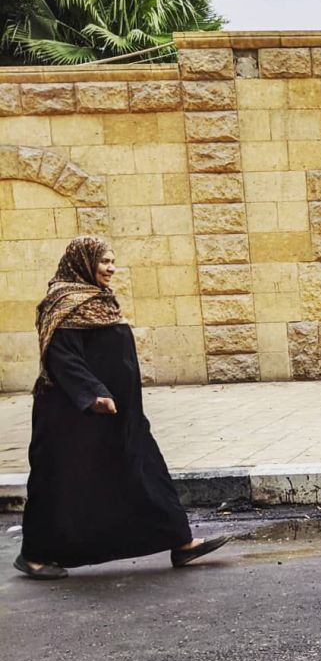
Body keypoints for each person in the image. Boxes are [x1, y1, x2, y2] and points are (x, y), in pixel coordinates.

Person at [15, 236, 229, 580]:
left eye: (112, 261)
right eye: (104, 261)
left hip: (121, 412)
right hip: (72, 417)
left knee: (144, 467)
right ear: (82, 262)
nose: (110, 268)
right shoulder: (61, 303)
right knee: (58, 482)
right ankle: (34, 556)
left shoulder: (103, 301)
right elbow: (61, 358)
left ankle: (181, 541)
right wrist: (93, 394)